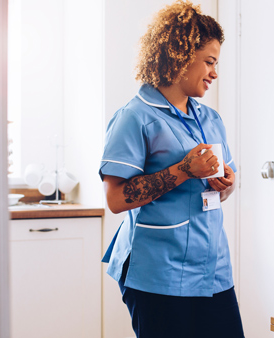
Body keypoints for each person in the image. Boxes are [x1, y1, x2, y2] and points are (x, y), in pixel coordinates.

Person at [99, 1, 244, 337]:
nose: (214, 73)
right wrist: (183, 169)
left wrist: (228, 182)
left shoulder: (211, 118)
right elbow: (117, 199)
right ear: (180, 55)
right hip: (158, 274)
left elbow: (221, 189)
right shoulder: (135, 117)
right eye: (209, 61)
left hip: (213, 271)